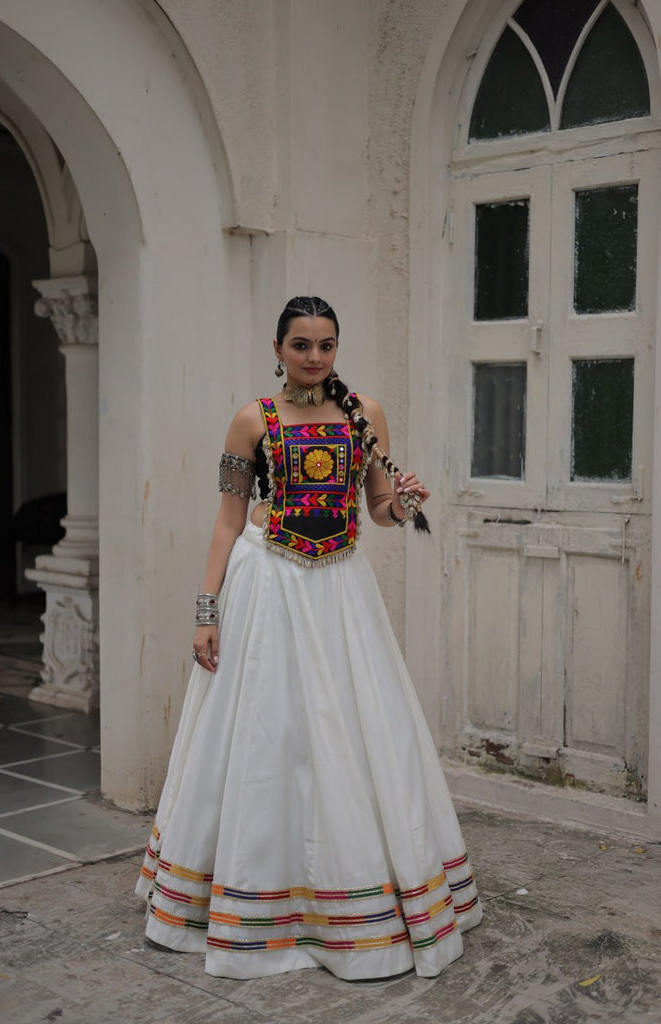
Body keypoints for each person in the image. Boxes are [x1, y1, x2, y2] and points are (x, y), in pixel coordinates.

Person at [135, 296, 482, 980]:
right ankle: (251, 899)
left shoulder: (365, 415)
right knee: (269, 733)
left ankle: (352, 905)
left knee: (353, 733)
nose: (315, 357)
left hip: (341, 592)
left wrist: (406, 502)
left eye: (326, 345)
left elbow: (380, 510)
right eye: (302, 345)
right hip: (269, 583)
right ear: (278, 346)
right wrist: (206, 611)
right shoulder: (252, 421)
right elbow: (228, 522)